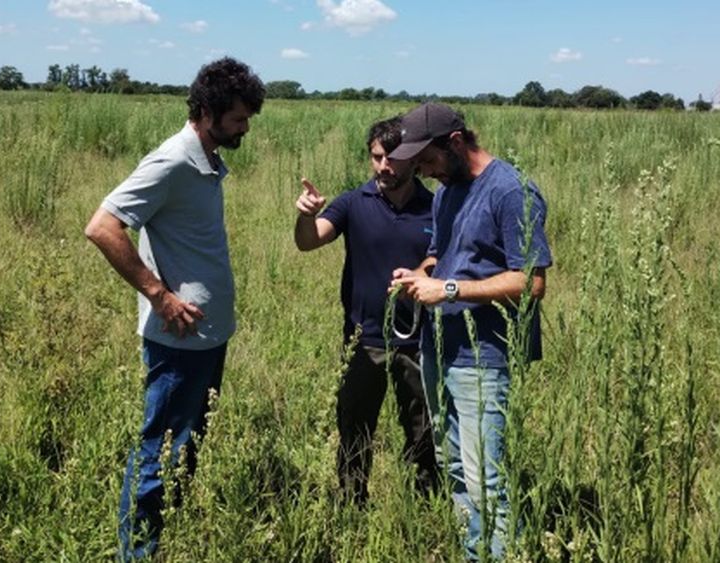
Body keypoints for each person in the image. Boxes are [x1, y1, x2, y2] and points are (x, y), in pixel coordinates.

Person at [84, 57, 264, 559]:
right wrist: (159, 295)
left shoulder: (205, 160)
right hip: (178, 341)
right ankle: (137, 552)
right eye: (237, 120)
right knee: (158, 453)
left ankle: (162, 540)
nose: (244, 128)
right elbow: (102, 226)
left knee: (182, 448)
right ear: (206, 112)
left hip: (207, 336)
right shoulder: (172, 161)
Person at [388, 103, 553, 561]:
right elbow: (441, 255)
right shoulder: (446, 192)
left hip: (484, 356)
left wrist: (450, 289)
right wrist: (418, 277)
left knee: (487, 478)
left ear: (456, 143)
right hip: (440, 347)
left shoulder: (511, 192)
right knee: (455, 466)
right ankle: (473, 551)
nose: (423, 171)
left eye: (428, 160)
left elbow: (531, 282)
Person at [294, 117, 438, 505]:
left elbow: (444, 256)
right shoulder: (353, 203)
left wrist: (422, 273)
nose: (383, 166)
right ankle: (351, 504)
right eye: (376, 157)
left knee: (424, 429)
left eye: (392, 159)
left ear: (413, 159)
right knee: (355, 430)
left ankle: (425, 505)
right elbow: (309, 242)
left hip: (418, 341)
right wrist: (306, 214)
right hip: (363, 339)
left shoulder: (436, 206)